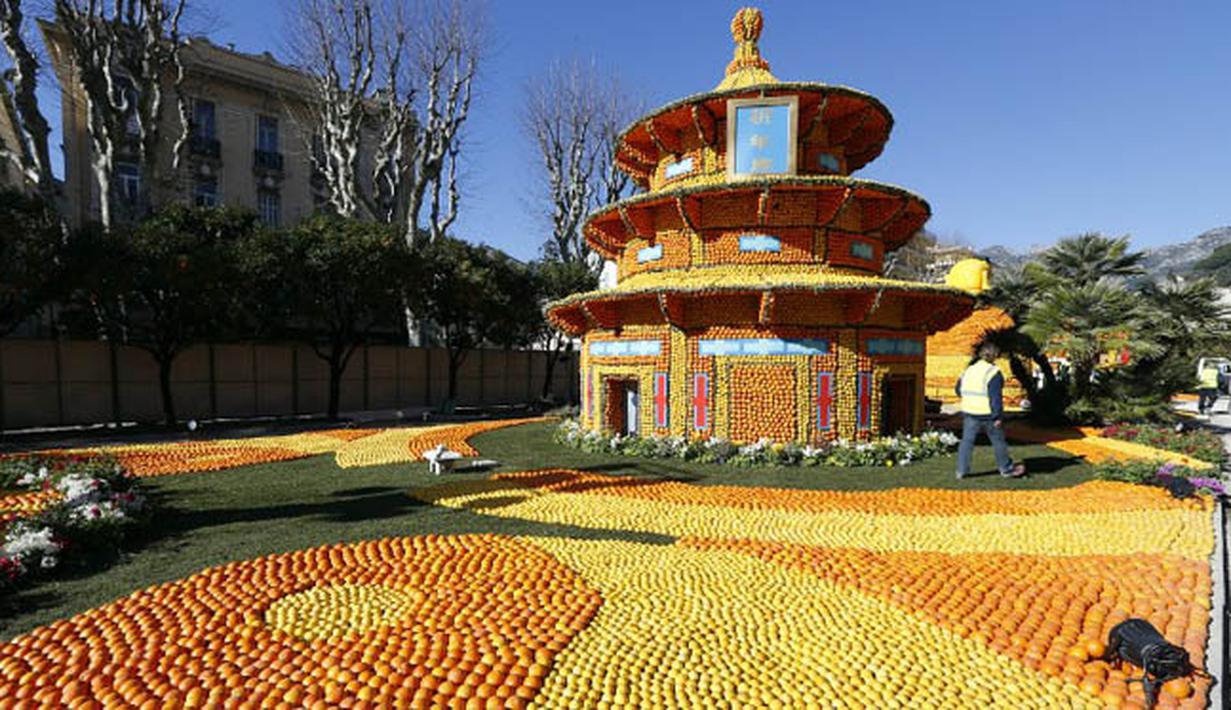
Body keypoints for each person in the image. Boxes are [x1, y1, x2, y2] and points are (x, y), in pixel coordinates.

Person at [955, 343, 1026, 480]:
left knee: (966, 442)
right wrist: (998, 416)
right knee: (998, 442)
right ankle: (1006, 469)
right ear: (995, 356)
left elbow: (958, 390)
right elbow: (995, 398)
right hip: (988, 414)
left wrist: (970, 399)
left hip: (970, 411)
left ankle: (961, 471)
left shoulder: (968, 370)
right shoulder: (993, 372)